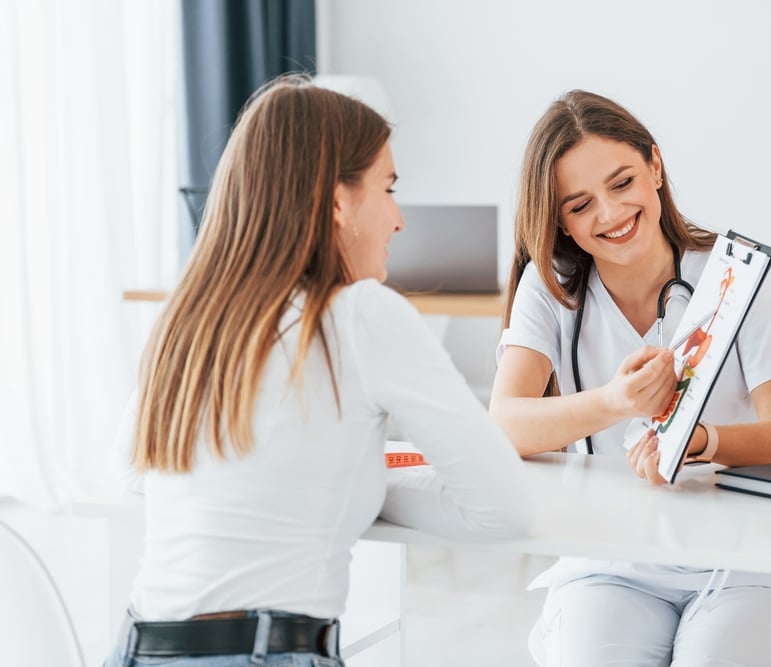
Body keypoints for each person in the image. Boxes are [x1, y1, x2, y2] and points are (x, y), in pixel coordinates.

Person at [104, 74, 531, 667]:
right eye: (387, 188)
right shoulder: (360, 314)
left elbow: (134, 469)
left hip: (138, 647)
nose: (399, 219)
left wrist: (315, 476)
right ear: (337, 202)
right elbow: (505, 509)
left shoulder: (192, 316)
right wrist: (367, 483)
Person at [490, 89, 771, 667]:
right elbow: (505, 423)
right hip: (610, 564)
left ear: (655, 167)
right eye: (580, 204)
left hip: (746, 563)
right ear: (561, 222)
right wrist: (615, 402)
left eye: (621, 184)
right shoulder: (550, 291)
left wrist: (701, 441)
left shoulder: (734, 274)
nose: (610, 215)